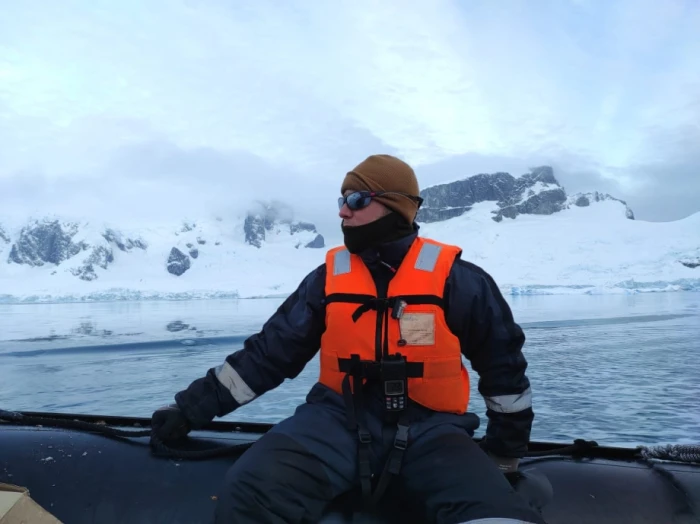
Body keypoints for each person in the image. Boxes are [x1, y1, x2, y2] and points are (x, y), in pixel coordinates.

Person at [152, 154, 546, 524]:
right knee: (247, 494)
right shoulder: (327, 279)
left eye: (356, 199)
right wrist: (189, 409)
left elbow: (504, 372)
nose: (343, 211)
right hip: (335, 420)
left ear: (396, 205)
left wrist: (505, 454)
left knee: (498, 515)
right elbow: (267, 356)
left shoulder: (458, 281)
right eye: (341, 200)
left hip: (433, 432)